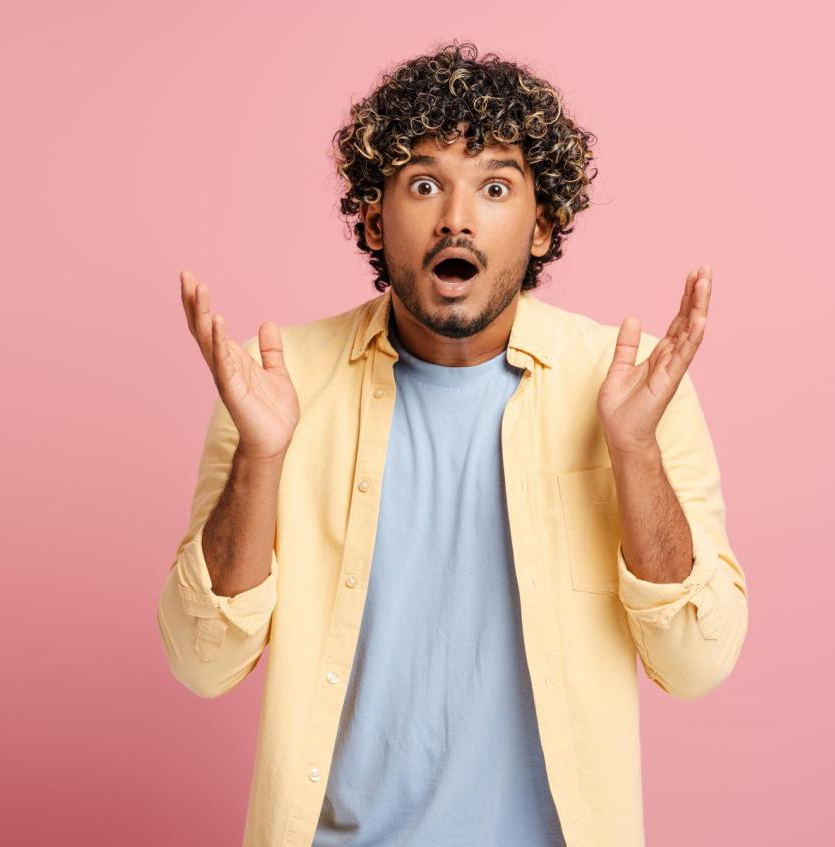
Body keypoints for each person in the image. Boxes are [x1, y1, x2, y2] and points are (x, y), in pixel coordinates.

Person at [157, 40, 749, 847]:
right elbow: (201, 661)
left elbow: (696, 662)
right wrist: (262, 459)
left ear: (541, 228)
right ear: (373, 216)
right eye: (424, 183)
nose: (457, 217)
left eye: (496, 186)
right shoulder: (278, 382)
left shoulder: (633, 386)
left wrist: (634, 452)